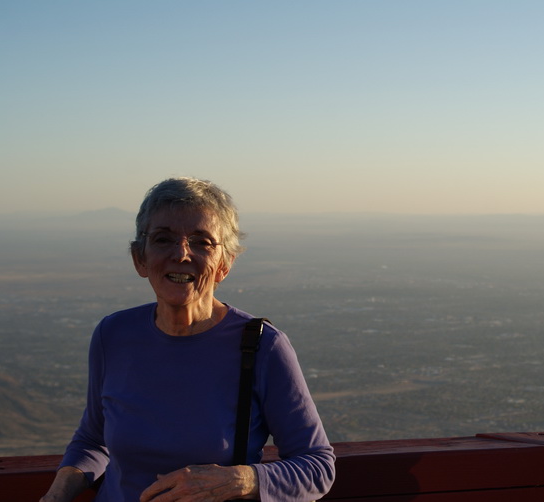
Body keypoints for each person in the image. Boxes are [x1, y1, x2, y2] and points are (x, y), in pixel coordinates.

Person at [40, 177, 335, 502]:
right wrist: (56, 495)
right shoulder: (113, 334)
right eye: (163, 239)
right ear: (140, 258)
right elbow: (94, 440)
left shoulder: (262, 347)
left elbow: (317, 467)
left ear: (224, 264)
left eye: (202, 242)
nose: (181, 254)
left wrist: (238, 480)